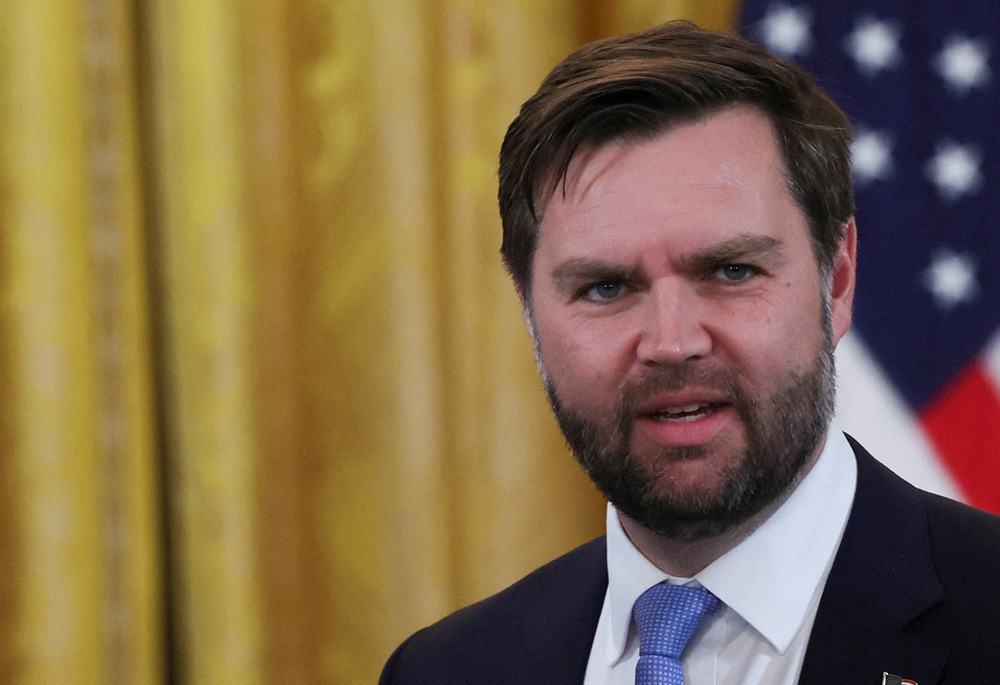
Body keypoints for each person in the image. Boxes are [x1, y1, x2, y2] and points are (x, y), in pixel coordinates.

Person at [380, 20, 1000, 685]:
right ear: (530, 315)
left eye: (731, 271)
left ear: (839, 279)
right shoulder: (447, 669)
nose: (673, 343)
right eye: (607, 287)